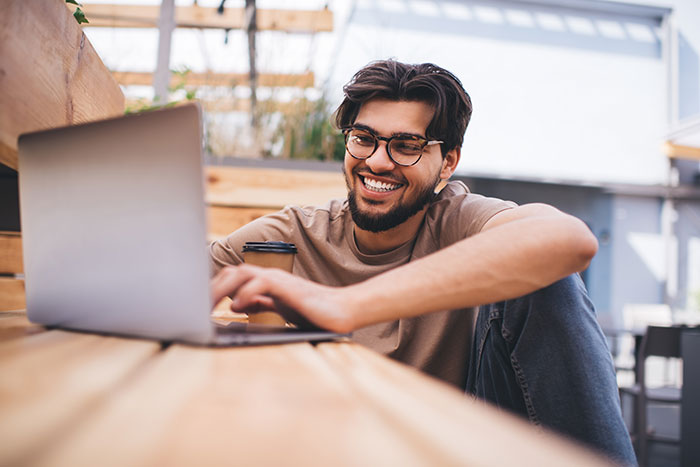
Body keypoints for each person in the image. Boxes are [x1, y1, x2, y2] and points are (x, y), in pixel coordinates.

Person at [209, 59, 636, 465]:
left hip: (460, 442)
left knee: (548, 275)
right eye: (363, 138)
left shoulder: (460, 219)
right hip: (328, 443)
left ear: (447, 162)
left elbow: (568, 239)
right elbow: (165, 282)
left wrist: (345, 306)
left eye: (406, 146)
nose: (377, 161)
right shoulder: (292, 234)